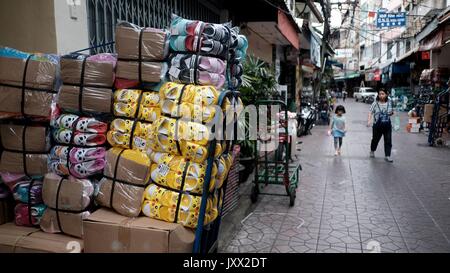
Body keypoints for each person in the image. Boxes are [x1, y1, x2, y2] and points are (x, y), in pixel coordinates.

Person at [367, 89, 394, 162]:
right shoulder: (375, 103)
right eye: (380, 94)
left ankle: (387, 155)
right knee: (375, 139)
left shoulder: (389, 102)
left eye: (383, 94)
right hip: (377, 125)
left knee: (388, 140)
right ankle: (372, 150)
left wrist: (391, 113)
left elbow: (391, 113)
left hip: (387, 125)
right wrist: (369, 120)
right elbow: (370, 112)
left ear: (386, 95)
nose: (381, 95)